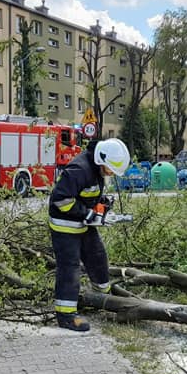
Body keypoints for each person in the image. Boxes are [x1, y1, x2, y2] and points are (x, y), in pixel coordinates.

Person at [48, 137, 130, 331]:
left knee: (98, 258)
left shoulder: (95, 168)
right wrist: (88, 213)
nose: (110, 173)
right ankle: (66, 316)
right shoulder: (80, 169)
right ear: (101, 160)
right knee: (70, 269)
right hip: (64, 226)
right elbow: (60, 199)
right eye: (110, 169)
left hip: (82, 224)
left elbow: (84, 193)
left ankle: (103, 297)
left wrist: (101, 203)